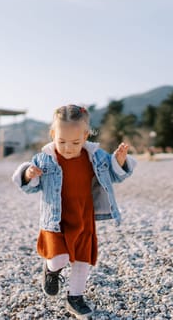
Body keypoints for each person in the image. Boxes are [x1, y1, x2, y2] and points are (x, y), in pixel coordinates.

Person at [11, 104, 136, 319]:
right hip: (55, 219)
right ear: (52, 135)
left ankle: (75, 298)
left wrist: (119, 160)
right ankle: (51, 270)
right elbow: (28, 184)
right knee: (59, 258)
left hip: (83, 217)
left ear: (86, 136)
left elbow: (115, 174)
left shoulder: (94, 156)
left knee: (82, 260)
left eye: (76, 142)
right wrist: (29, 174)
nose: (68, 147)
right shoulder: (45, 159)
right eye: (62, 141)